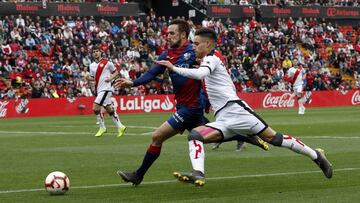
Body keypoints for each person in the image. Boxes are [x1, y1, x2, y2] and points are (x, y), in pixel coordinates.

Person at [156, 28, 333, 187]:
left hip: (237, 111)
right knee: (195, 135)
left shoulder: (212, 58)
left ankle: (316, 156)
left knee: (275, 139)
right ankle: (198, 173)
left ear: (208, 44)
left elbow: (201, 74)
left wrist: (174, 67)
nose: (193, 47)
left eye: (196, 43)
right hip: (224, 118)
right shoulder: (208, 60)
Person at [114, 19, 268, 186]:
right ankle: (246, 136)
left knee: (157, 136)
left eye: (172, 33)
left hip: (191, 107)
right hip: (183, 105)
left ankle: (138, 175)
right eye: (167, 33)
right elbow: (151, 73)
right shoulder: (166, 55)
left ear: (183, 35)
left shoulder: (194, 51)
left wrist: (207, 100)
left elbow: (208, 76)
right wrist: (133, 83)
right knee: (210, 135)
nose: (168, 36)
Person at [87, 45, 126, 137]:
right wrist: (88, 78)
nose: (95, 53)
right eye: (93, 52)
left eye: (97, 51)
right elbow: (93, 78)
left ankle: (102, 127)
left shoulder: (107, 63)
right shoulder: (91, 65)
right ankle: (120, 126)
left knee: (95, 108)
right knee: (109, 109)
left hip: (106, 89)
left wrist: (110, 78)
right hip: (99, 89)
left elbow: (116, 71)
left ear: (100, 52)